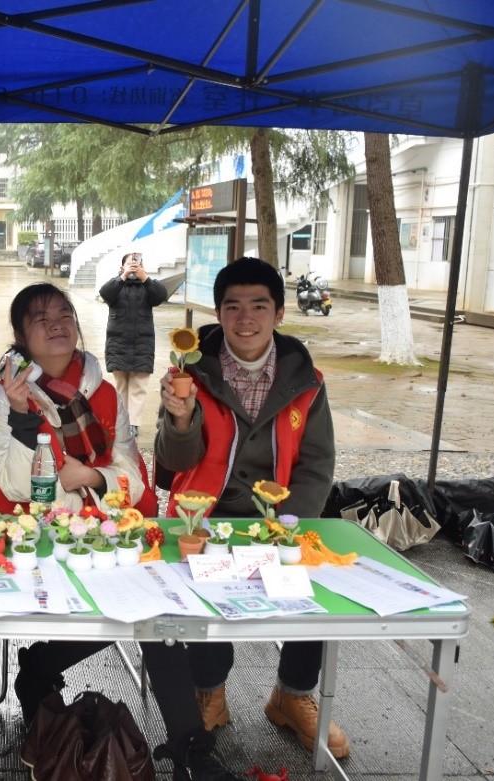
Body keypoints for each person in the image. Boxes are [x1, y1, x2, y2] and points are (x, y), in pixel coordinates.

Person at [0, 284, 235, 780]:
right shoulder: (3, 396)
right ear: (20, 336)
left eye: (64, 313)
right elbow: (12, 482)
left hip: (107, 528)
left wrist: (90, 476)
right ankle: (40, 669)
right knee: (138, 613)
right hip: (40, 537)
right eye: (40, 317)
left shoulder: (103, 391)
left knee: (154, 615)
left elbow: (131, 471)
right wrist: (21, 419)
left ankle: (191, 750)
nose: (56, 323)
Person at [154, 256, 347, 759]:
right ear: (217, 312)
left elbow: (317, 461)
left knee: (311, 583)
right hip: (206, 513)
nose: (245, 318)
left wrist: (290, 525)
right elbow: (174, 463)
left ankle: (293, 694)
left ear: (279, 313)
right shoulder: (187, 373)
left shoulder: (307, 380)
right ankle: (209, 691)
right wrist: (181, 422)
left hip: (278, 517)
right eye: (232, 306)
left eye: (259, 306)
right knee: (203, 589)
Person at [99, 250, 169, 437]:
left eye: (137, 263)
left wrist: (145, 278)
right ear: (122, 266)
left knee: (139, 386)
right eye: (130, 263)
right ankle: (122, 421)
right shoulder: (116, 285)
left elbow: (161, 296)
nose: (134, 266)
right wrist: (123, 277)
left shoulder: (148, 286)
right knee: (121, 385)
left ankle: (134, 423)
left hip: (142, 343)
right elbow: (105, 293)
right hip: (118, 343)